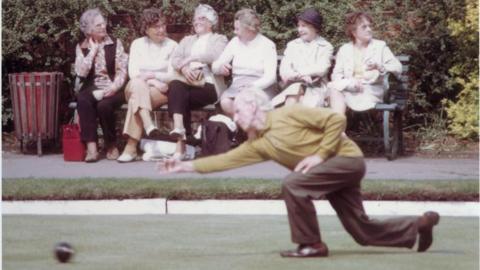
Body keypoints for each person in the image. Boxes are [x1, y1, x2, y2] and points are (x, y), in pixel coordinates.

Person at [157, 89, 440, 258]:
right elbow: (226, 161)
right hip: (331, 174)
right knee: (361, 232)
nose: (235, 118)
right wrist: (186, 166)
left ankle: (311, 244)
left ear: (254, 106)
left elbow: (335, 119)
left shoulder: (288, 114)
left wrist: (319, 154)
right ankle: (417, 226)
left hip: (346, 160)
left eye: (238, 112)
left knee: (293, 183)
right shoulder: (259, 144)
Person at [167, 4, 228, 160]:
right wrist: (185, 69)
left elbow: (215, 54)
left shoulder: (219, 39)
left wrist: (192, 58)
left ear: (211, 22)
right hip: (186, 83)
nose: (197, 22)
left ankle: (181, 146)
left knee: (177, 95)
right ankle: (180, 132)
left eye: (201, 18)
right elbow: (175, 59)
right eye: (195, 19)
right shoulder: (187, 40)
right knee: (177, 88)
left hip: (209, 85)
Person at [117, 8, 178, 163]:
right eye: (156, 27)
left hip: (160, 92)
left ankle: (131, 147)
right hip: (139, 86)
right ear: (146, 29)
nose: (161, 29)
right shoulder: (137, 44)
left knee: (135, 100)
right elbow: (133, 73)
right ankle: (148, 123)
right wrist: (154, 81)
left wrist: (152, 76)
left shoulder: (172, 46)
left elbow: (172, 75)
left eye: (163, 25)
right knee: (138, 85)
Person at [74, 8, 128, 162]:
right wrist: (93, 51)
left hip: (113, 87)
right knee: (83, 100)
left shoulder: (115, 43)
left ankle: (111, 145)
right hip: (92, 87)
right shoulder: (82, 47)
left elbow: (122, 71)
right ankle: (92, 148)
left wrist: (113, 88)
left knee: (104, 106)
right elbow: (81, 72)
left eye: (103, 23)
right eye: (98, 25)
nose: (103, 27)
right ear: (89, 30)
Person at [328, 12, 402, 114]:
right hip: (350, 88)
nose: (369, 29)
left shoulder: (380, 46)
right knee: (334, 89)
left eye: (369, 26)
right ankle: (339, 130)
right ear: (354, 32)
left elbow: (398, 67)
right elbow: (337, 75)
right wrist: (350, 82)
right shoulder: (344, 49)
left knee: (335, 92)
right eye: (364, 27)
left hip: (370, 91)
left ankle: (338, 129)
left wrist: (380, 66)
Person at [212, 8, 277, 116]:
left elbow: (271, 77)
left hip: (261, 86)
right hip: (237, 86)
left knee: (250, 103)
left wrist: (252, 86)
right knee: (226, 102)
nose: (234, 32)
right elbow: (215, 66)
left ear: (249, 29)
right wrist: (220, 67)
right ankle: (247, 127)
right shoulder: (234, 42)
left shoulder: (267, 45)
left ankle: (247, 129)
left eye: (237, 29)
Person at [272, 8, 333, 108]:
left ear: (315, 27)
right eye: (299, 26)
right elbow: (284, 70)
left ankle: (287, 120)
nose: (299, 29)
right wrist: (300, 77)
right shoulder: (292, 45)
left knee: (298, 99)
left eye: (304, 26)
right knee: (296, 93)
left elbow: (322, 69)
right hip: (293, 86)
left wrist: (300, 73)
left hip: (316, 88)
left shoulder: (326, 46)